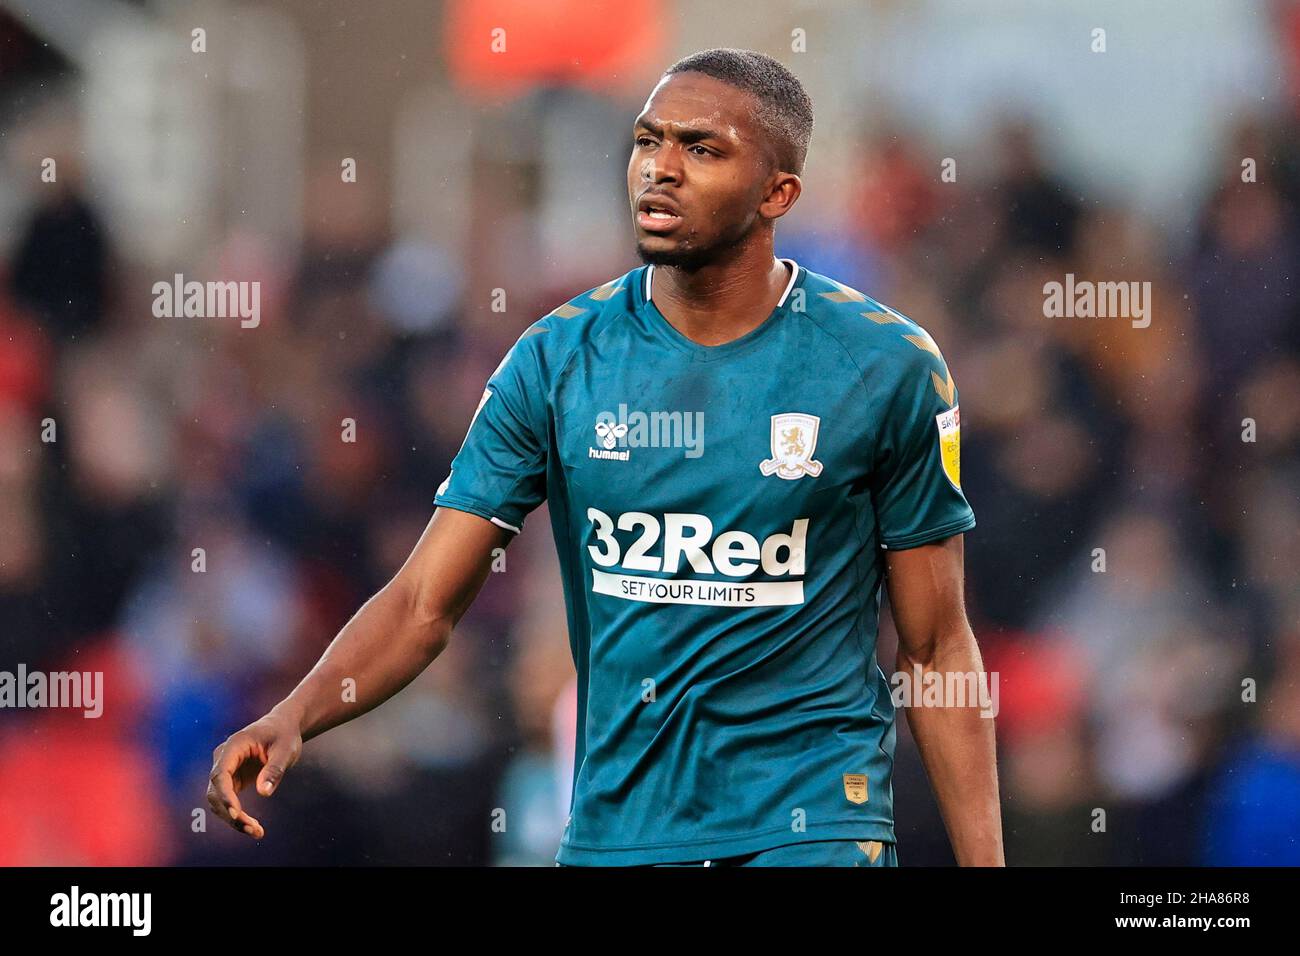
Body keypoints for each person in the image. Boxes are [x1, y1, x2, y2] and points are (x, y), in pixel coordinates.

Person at [207, 47, 1004, 867]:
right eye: (648, 140)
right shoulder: (555, 363)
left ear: (778, 193)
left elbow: (936, 646)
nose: (661, 169)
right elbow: (423, 604)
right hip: (617, 835)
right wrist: (295, 713)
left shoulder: (885, 368)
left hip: (811, 829)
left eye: (702, 149)